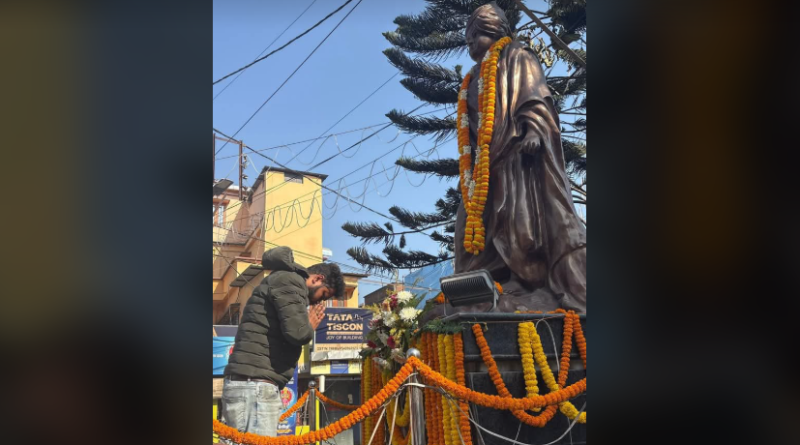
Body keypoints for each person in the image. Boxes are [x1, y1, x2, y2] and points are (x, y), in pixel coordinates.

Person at [454, 2, 587, 313]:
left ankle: (525, 283)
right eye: (467, 39)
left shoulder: (517, 56)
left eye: (475, 36)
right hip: (483, 167)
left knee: (520, 223)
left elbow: (535, 98)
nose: (470, 43)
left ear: (494, 31)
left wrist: (533, 132)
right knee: (467, 226)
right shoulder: (471, 79)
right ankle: (475, 286)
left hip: (517, 155)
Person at [220, 246, 344, 440]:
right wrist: (309, 325)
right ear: (317, 279)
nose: (320, 302)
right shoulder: (291, 282)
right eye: (324, 294)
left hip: (252, 385)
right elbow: (297, 333)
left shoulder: (284, 281)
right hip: (256, 388)